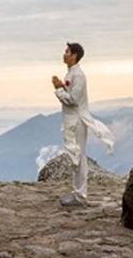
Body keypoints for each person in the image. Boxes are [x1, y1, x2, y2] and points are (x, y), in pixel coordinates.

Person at [51, 42, 115, 207]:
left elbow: (73, 100)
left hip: (77, 121)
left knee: (79, 156)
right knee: (75, 155)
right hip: (72, 120)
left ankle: (80, 195)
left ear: (74, 56)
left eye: (67, 52)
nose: (64, 54)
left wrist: (59, 89)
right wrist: (62, 87)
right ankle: (77, 192)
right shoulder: (72, 73)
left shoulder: (78, 75)